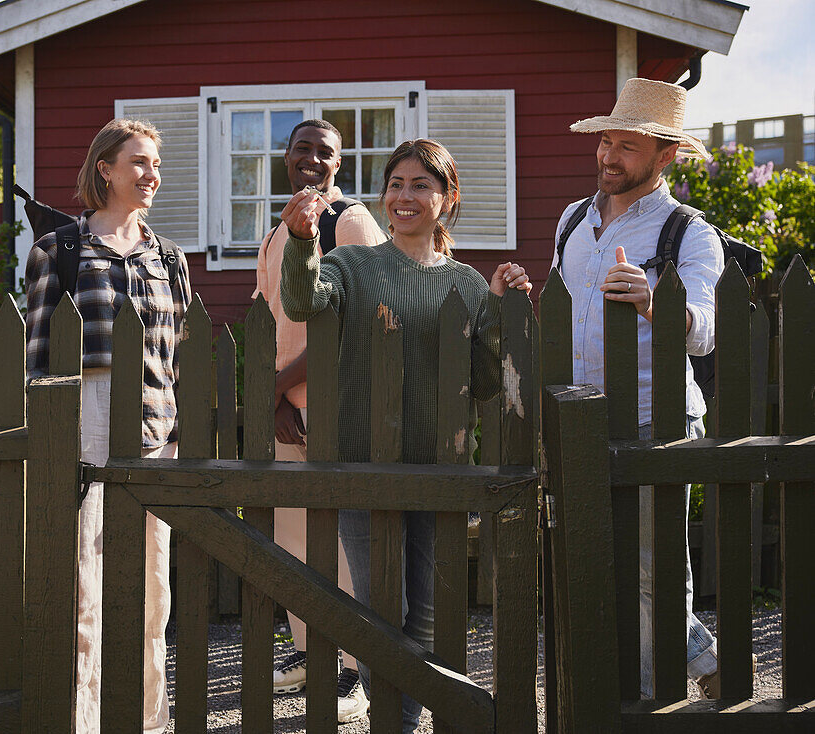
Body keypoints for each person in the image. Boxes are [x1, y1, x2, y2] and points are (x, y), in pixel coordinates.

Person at [281, 138, 531, 732]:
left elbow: (486, 382)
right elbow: (299, 299)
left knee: (427, 609)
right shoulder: (351, 264)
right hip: (360, 465)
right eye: (396, 184)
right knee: (376, 608)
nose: (404, 196)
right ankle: (396, 721)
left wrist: (497, 309)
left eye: (421, 185)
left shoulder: (466, 284)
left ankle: (404, 718)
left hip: (439, 472)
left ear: (446, 200)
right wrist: (298, 240)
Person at [554, 77, 726, 697]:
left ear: (665, 157)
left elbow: (703, 331)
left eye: (627, 146)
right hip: (581, 418)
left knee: (655, 570)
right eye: (606, 141)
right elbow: (564, 310)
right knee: (599, 564)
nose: (608, 155)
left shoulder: (689, 232)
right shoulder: (573, 220)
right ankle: (705, 660)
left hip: (660, 419)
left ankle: (656, 700)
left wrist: (657, 304)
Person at [24, 118, 190, 733]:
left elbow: (179, 355)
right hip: (83, 421)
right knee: (82, 588)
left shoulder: (169, 258)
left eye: (155, 164)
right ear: (106, 169)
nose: (151, 175)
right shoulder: (59, 251)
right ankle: (82, 719)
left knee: (153, 591)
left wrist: (174, 432)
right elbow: (39, 359)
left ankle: (148, 720)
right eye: (138, 163)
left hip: (154, 425)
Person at [253, 118, 382, 722]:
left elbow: (358, 321)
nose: (311, 159)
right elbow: (272, 322)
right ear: (286, 156)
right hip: (288, 410)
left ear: (339, 162)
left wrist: (280, 389)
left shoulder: (348, 222)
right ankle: (312, 657)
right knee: (295, 539)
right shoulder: (277, 233)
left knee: (347, 538)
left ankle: (356, 668)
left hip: (340, 403)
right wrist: (278, 400)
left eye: (323, 152)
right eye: (301, 148)